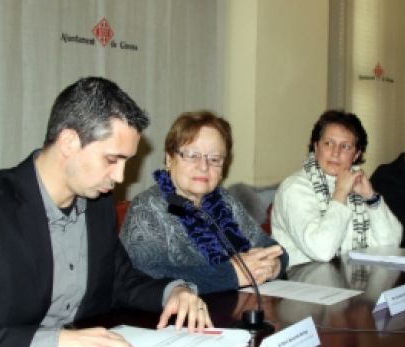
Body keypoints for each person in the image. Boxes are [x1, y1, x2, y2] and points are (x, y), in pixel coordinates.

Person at [0, 77, 211, 347]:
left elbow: (119, 281)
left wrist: (175, 291)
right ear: (69, 142)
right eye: (112, 159)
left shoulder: (97, 203)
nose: (120, 177)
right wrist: (57, 344)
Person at [120, 111, 287, 295]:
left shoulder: (224, 201)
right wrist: (231, 275)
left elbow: (271, 248)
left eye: (214, 159)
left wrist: (274, 266)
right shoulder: (146, 208)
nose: (204, 166)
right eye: (192, 156)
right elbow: (145, 276)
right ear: (169, 159)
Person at [271, 110, 403, 267]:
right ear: (316, 146)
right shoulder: (294, 188)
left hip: (348, 282)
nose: (335, 153)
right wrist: (340, 193)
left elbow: (390, 245)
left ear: (356, 155)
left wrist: (370, 197)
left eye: (345, 147)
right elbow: (321, 250)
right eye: (328, 143)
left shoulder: (356, 185)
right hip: (299, 284)